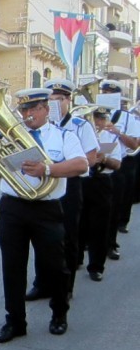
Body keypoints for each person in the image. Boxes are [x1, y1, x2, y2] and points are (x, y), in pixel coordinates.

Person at [0, 89, 88, 343]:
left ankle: (59, 314)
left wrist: (47, 168)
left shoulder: (63, 135)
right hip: (12, 207)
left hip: (46, 208)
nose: (27, 115)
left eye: (33, 109)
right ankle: (15, 322)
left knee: (56, 265)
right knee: (12, 267)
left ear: (46, 109)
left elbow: (81, 164)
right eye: (23, 110)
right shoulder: (7, 138)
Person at [26, 78, 97, 302]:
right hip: (41, 187)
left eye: (59, 99)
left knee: (67, 237)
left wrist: (56, 167)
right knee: (41, 237)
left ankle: (65, 287)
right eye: (51, 100)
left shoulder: (79, 126)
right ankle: (41, 283)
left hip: (69, 183)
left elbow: (91, 158)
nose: (55, 103)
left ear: (68, 101)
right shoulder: (37, 127)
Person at [79, 107, 122, 281]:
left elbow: (117, 164)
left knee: (99, 226)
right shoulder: (81, 135)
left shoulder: (111, 137)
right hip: (81, 180)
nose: (98, 123)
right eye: (95, 119)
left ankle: (96, 266)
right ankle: (76, 258)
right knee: (78, 224)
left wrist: (103, 158)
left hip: (101, 181)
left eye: (101, 119)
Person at [100, 81, 140, 259]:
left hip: (119, 165)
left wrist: (117, 132)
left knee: (114, 208)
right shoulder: (93, 115)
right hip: (98, 165)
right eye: (104, 92)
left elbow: (134, 145)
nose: (106, 95)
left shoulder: (128, 118)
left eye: (109, 93)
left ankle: (110, 244)